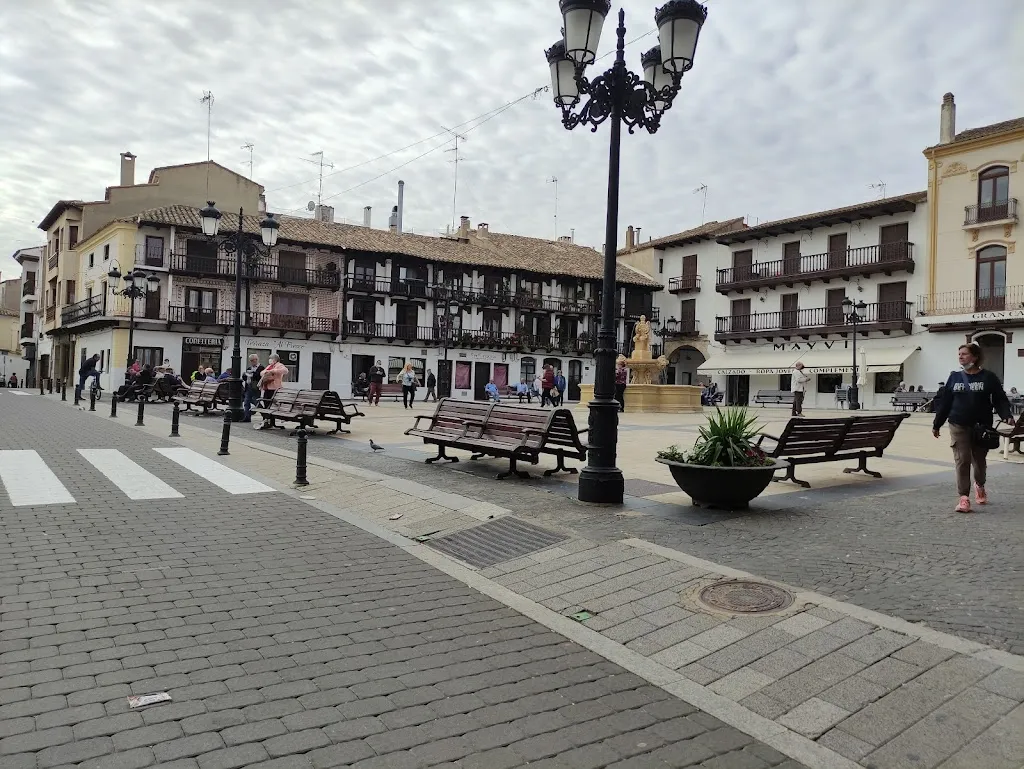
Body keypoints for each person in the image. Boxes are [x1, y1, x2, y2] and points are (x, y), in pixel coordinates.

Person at [932, 343, 1015, 513]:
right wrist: (937, 424)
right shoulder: (954, 377)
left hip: (982, 426)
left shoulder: (988, 377)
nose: (960, 357)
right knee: (962, 460)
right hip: (958, 424)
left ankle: (980, 485)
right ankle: (963, 497)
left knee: (979, 461)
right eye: (959, 354)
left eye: (964, 354)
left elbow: (1000, 399)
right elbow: (946, 403)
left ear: (975, 357)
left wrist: (1006, 414)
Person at [257, 354, 288, 428]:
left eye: (271, 358)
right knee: (266, 404)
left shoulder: (279, 365)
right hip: (267, 388)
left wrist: (273, 371)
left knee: (271, 406)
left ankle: (271, 422)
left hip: (274, 388)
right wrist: (267, 372)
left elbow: (285, 371)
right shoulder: (269, 366)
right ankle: (267, 421)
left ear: (275, 359)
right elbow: (262, 373)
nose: (270, 360)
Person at [242, 354, 265, 422]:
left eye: (253, 360)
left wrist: (251, 374)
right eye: (251, 360)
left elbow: (258, 376)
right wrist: (245, 375)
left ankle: (264, 415)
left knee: (256, 402)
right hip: (248, 387)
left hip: (255, 388)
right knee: (246, 402)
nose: (252, 362)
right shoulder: (249, 368)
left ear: (257, 360)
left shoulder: (261, 368)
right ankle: (247, 417)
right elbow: (244, 378)